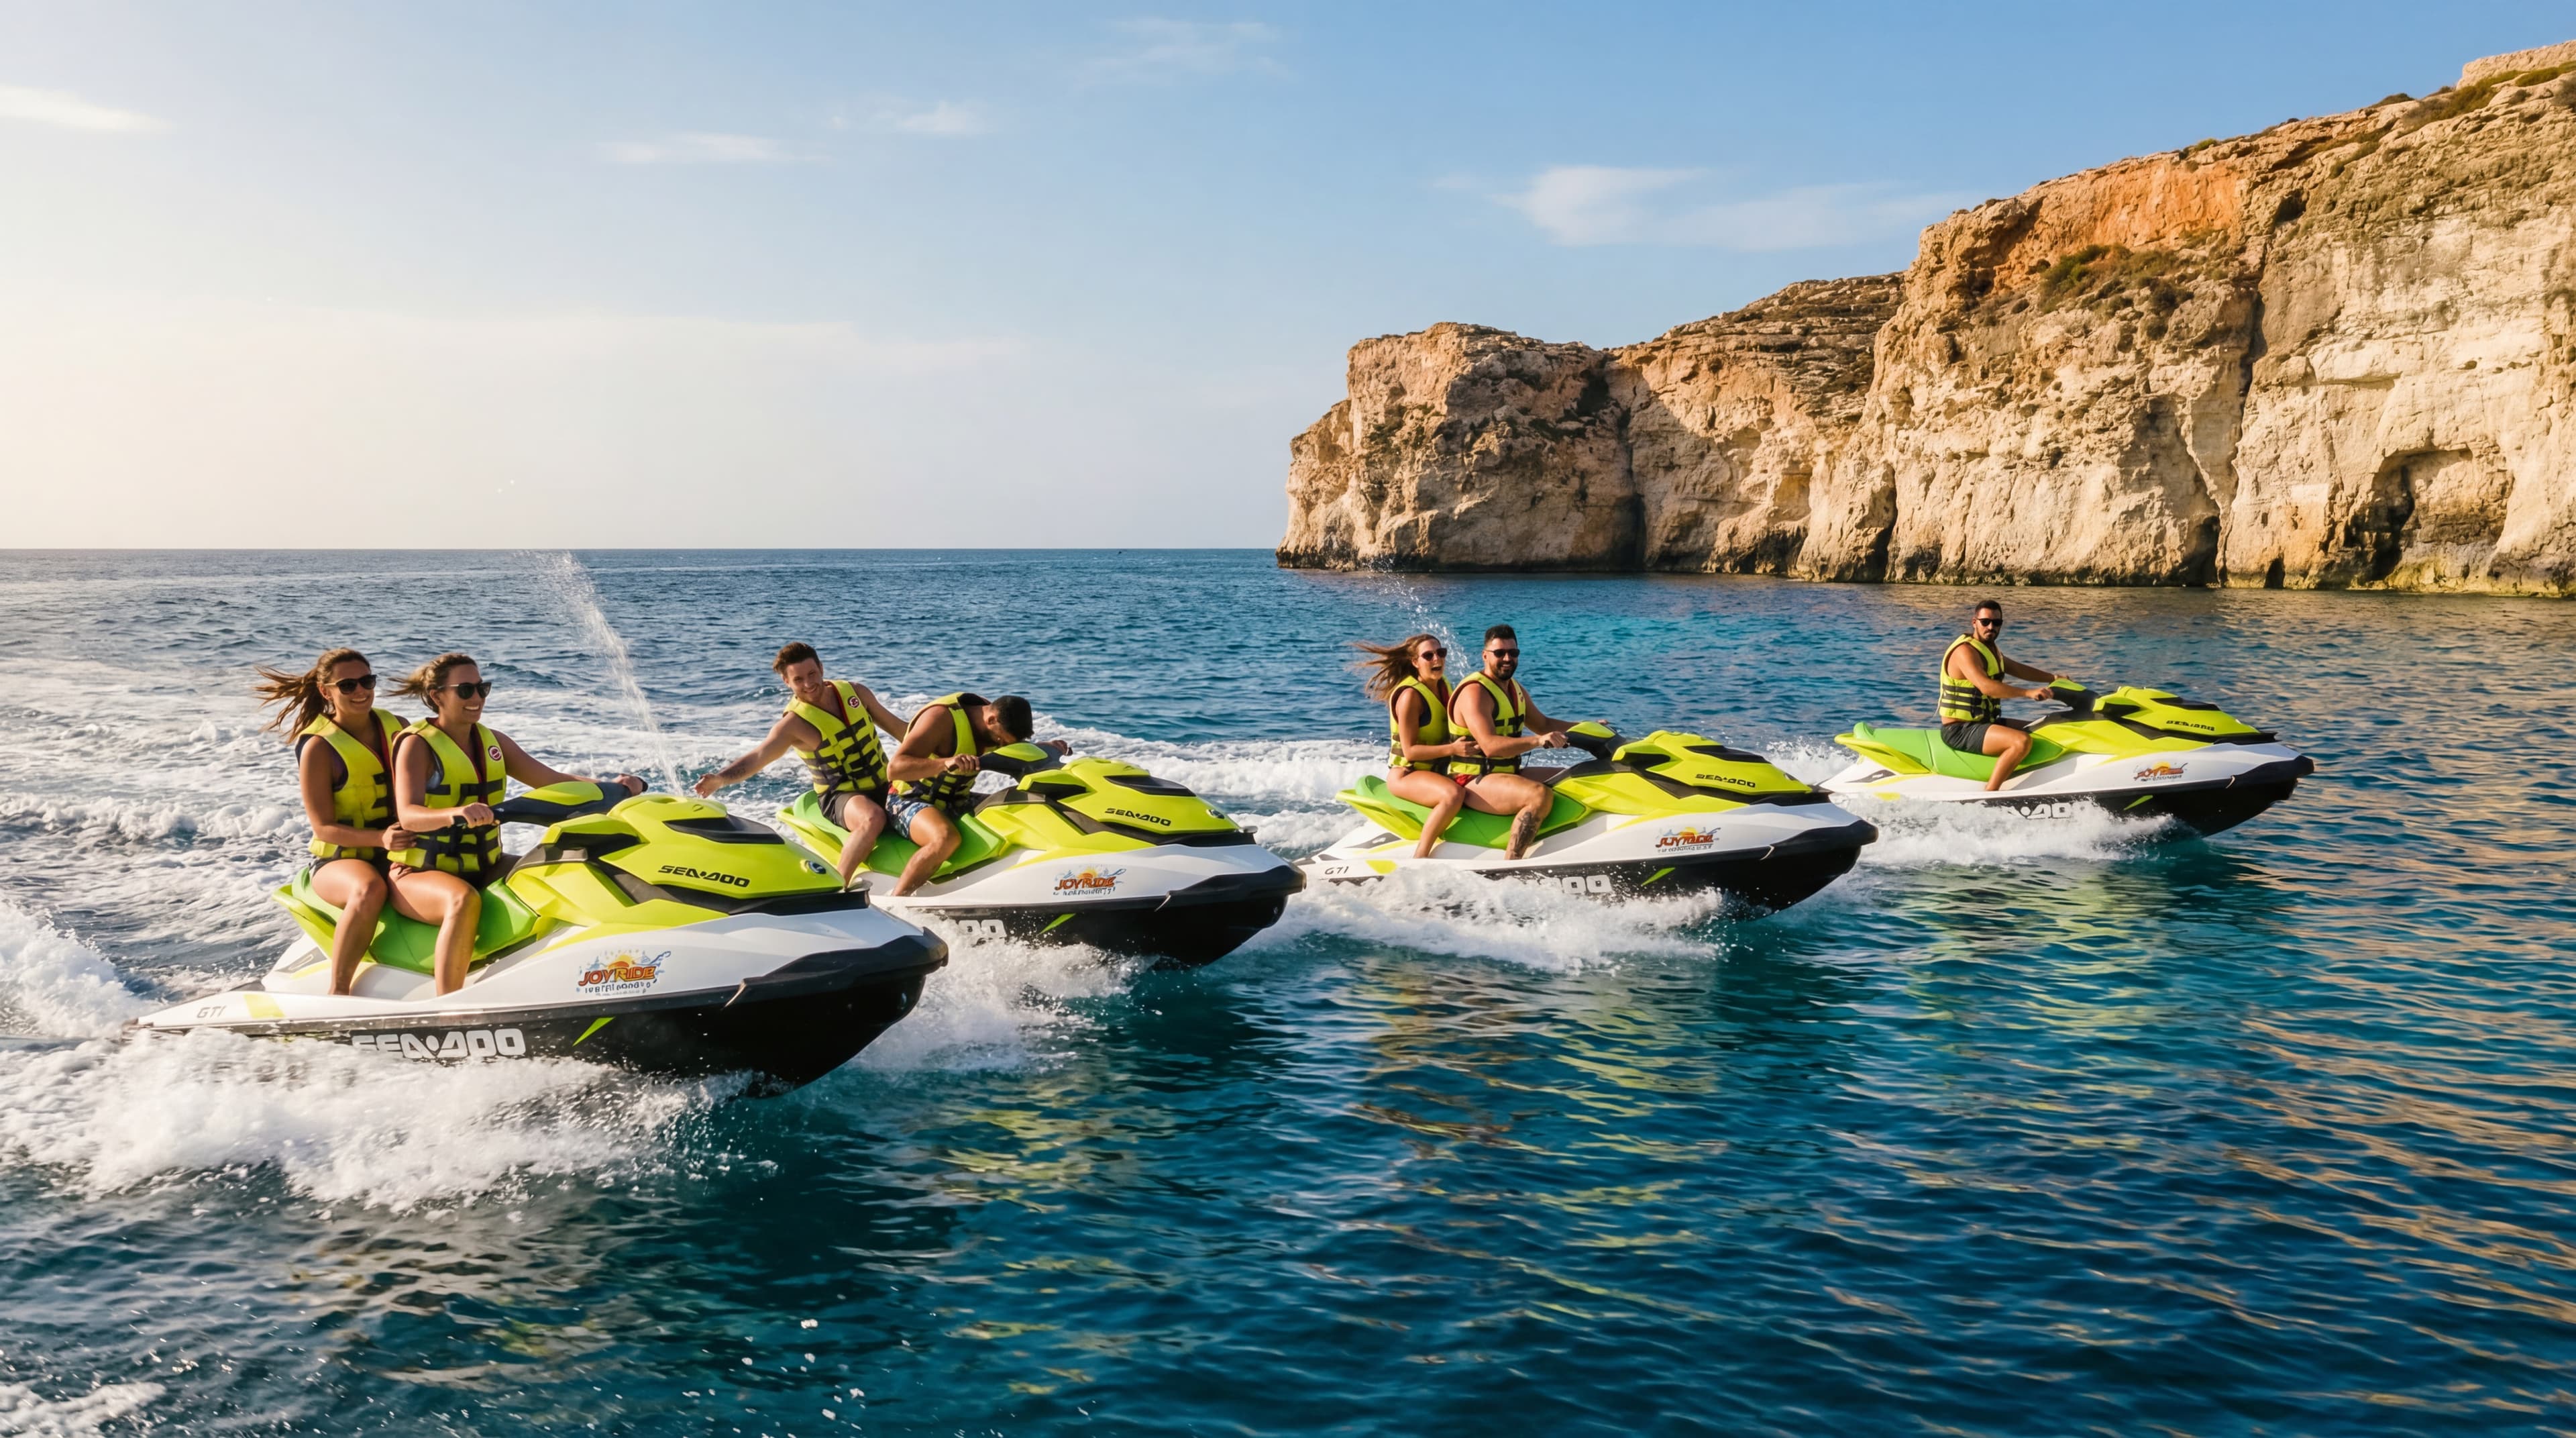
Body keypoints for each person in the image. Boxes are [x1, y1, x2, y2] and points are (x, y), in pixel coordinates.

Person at [388, 652, 643, 996]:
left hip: (484, 864)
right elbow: (409, 815)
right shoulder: (417, 745)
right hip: (420, 873)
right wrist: (458, 813)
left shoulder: (493, 742)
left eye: (482, 688)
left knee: (566, 871)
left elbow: (551, 780)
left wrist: (612, 788)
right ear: (437, 696)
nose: (477, 698)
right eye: (465, 690)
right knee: (462, 901)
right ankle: (449, 1005)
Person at [253, 648, 415, 996]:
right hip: (340, 860)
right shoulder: (319, 747)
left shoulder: (398, 727)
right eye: (348, 685)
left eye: (368, 681)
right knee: (369, 890)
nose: (361, 691)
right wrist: (381, 840)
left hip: (398, 849)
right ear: (327, 692)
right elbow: (323, 828)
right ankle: (339, 991)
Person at [693, 642, 905, 884]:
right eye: (798, 679)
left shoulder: (855, 693)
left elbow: (901, 730)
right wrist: (721, 779)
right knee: (873, 819)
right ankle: (836, 889)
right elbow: (760, 756)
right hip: (841, 796)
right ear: (787, 682)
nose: (808, 684)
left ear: (822, 669)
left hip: (884, 783)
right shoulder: (793, 724)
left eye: (812, 674)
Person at [882, 692, 1067, 897]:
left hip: (957, 798)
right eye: (1000, 740)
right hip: (909, 800)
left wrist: (1045, 749)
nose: (1002, 745)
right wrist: (944, 763)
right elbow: (895, 768)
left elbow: (1015, 750)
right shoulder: (941, 718)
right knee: (946, 838)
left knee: (1025, 807)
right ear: (990, 719)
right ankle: (897, 901)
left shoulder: (1001, 725)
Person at [1446, 625, 1574, 860]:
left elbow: (1544, 724)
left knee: (1576, 777)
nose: (1507, 659)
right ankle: (1511, 865)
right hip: (1472, 780)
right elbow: (1490, 746)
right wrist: (1537, 742)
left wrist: (1589, 727)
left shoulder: (1515, 689)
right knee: (1539, 795)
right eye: (1500, 653)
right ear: (1485, 656)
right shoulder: (1475, 692)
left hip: (1508, 772)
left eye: (1513, 653)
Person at [1353, 633, 1475, 859]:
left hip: (1437, 771)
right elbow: (1410, 751)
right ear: (1415, 662)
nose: (1437, 659)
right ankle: (1421, 856)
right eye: (1428, 655)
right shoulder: (1411, 696)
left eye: (1441, 653)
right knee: (1453, 795)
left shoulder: (1443, 686)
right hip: (1407, 774)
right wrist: (1453, 750)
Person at [1938, 598, 2061, 792]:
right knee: (2021, 741)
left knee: (2044, 728)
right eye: (1985, 622)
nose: (1991, 627)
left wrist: (2053, 677)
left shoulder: (1991, 650)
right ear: (1974, 622)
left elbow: (2017, 669)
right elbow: (1986, 686)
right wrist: (2027, 693)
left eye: (1997, 623)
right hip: (1960, 729)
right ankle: (1990, 795)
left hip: (1986, 723)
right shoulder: (1965, 652)